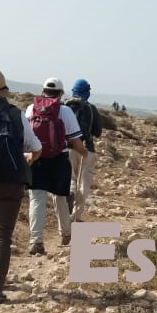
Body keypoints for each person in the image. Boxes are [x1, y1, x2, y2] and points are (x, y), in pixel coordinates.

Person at [0, 69, 42, 304]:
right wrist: (27, 161)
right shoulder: (15, 114)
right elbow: (36, 147)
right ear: (4, 92)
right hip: (11, 181)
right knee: (2, 235)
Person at [25, 77, 88, 255]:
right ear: (60, 94)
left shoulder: (31, 109)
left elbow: (25, 137)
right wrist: (84, 152)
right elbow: (75, 141)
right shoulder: (65, 111)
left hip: (35, 159)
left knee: (37, 199)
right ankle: (66, 233)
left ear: (43, 90)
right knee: (61, 197)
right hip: (59, 159)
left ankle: (36, 241)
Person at [63, 78, 103, 221]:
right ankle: (76, 215)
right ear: (87, 92)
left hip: (67, 147)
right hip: (87, 148)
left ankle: (70, 194)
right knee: (84, 182)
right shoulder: (91, 109)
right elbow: (98, 132)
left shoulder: (65, 106)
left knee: (70, 177)